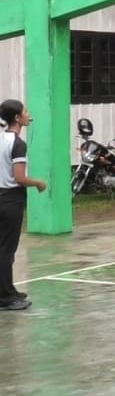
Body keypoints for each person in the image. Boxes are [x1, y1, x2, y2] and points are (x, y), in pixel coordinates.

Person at [0, 99, 45, 311]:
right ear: (17, 118)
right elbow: (19, 178)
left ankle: (8, 290)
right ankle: (6, 298)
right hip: (11, 199)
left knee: (3, 248)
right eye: (25, 111)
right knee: (6, 250)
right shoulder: (18, 144)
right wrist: (37, 183)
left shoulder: (1, 138)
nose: (28, 114)